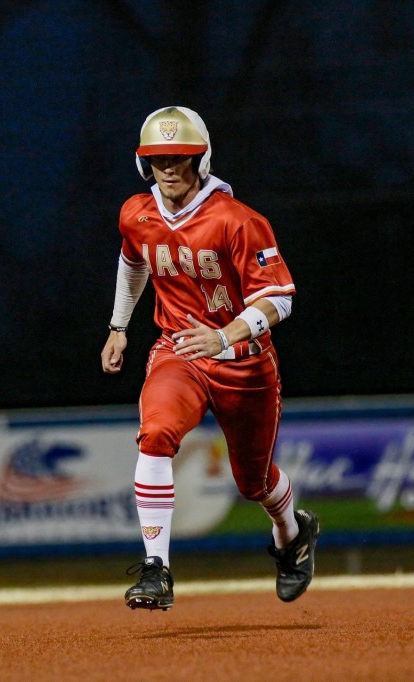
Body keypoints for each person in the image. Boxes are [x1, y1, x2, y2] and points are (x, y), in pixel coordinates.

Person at [101, 106, 319, 611]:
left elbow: (280, 298)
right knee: (155, 434)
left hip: (243, 359)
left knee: (254, 481)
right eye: (158, 160)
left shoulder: (238, 220)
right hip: (178, 349)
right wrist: (118, 326)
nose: (169, 168)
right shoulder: (136, 212)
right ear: (143, 164)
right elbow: (133, 259)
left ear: (201, 158)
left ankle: (292, 533)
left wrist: (226, 336)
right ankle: (156, 570)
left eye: (180, 157)